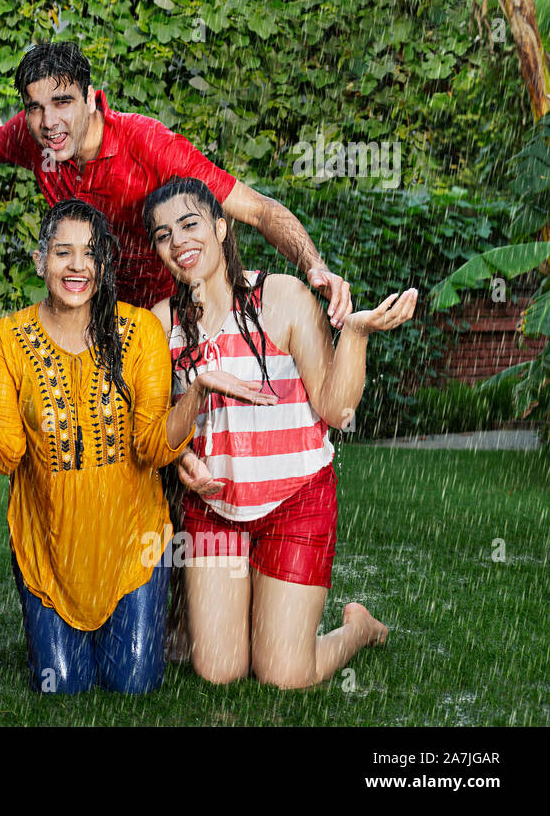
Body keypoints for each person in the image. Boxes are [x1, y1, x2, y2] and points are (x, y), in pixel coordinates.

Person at [0, 199, 274, 694]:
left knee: (132, 685)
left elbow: (154, 449)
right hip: (49, 547)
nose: (77, 267)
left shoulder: (141, 332)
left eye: (90, 254)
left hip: (133, 547)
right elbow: (4, 454)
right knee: (61, 687)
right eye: (63, 252)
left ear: (104, 264)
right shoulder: (6, 339)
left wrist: (196, 392)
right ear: (40, 260)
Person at [143, 178, 416, 688]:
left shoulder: (281, 297)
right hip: (214, 507)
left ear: (222, 227)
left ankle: (356, 628)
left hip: (296, 501)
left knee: (284, 674)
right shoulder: (161, 324)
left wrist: (354, 334)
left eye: (189, 223)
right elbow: (159, 430)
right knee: (219, 671)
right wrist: (181, 458)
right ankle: (260, 616)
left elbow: (337, 410)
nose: (178, 241)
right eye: (163, 235)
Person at [0, 41, 351, 324]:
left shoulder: (147, 143)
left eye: (63, 102)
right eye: (35, 108)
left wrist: (315, 267)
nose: (49, 122)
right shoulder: (32, 136)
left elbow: (258, 209)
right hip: (100, 317)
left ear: (91, 98)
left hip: (175, 317)